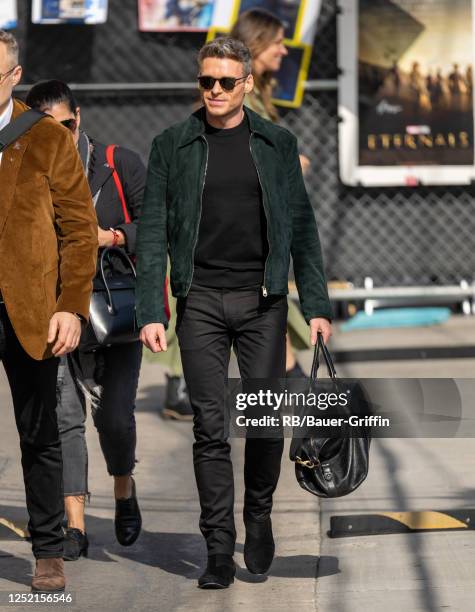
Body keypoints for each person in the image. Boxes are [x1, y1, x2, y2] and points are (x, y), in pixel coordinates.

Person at [136, 37, 332, 588]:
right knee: (210, 429)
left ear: (246, 83)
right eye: (206, 81)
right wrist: (153, 308)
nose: (215, 91)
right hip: (198, 301)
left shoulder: (275, 142)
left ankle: (260, 514)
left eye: (226, 81)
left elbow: (302, 230)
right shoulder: (171, 145)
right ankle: (218, 547)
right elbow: (151, 233)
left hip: (263, 301)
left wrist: (314, 305)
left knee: (265, 421)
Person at [26, 80, 145, 561]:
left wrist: (111, 237)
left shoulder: (120, 164)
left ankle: (123, 488)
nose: (60, 136)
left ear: (81, 116)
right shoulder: (28, 170)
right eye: (47, 129)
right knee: (64, 417)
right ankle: (74, 525)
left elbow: (156, 227)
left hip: (115, 308)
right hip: (55, 310)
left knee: (115, 418)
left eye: (68, 125)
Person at [0, 32, 98, 591]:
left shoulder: (45, 140)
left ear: (14, 78)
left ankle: (47, 549)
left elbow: (79, 233)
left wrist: (71, 308)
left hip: (30, 308)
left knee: (39, 431)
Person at [231, 8, 313, 377]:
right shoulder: (237, 99)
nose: (283, 51)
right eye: (278, 42)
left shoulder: (257, 95)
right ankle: (309, 412)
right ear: (257, 42)